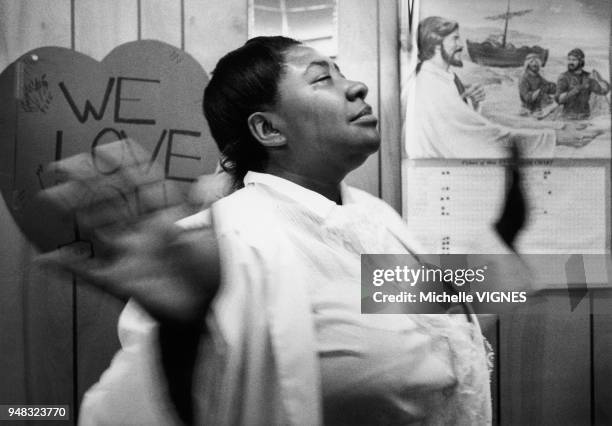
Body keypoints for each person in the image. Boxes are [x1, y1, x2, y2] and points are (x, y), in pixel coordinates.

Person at [40, 36, 529, 425]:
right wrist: (183, 335)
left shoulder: (371, 218)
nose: (356, 86)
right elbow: (119, 416)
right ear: (269, 130)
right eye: (323, 78)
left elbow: (435, 319)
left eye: (343, 72)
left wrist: (507, 230)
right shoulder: (222, 246)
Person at [405, 16, 598, 159]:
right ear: (437, 46)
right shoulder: (431, 85)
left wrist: (469, 103)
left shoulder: (441, 78)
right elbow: (484, 138)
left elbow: (461, 126)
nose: (461, 45)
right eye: (455, 39)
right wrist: (556, 137)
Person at [555, 48, 610, 120]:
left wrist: (599, 79)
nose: (570, 62)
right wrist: (578, 88)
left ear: (581, 61)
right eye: (569, 59)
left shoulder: (588, 77)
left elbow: (603, 91)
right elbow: (559, 99)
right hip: (568, 118)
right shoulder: (564, 77)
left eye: (574, 60)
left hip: (585, 117)